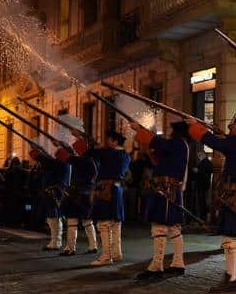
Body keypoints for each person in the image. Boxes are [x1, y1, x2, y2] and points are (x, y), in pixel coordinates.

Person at [188, 114, 236, 292]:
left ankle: (231, 278)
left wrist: (196, 127)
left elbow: (219, 144)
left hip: (235, 195)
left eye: (232, 128)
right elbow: (229, 145)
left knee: (230, 236)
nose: (230, 131)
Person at [132, 120, 190, 279]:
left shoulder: (178, 143)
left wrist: (141, 130)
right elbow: (158, 156)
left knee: (160, 227)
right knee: (173, 229)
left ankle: (157, 265)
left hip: (166, 189)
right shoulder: (178, 145)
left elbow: (159, 143)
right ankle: (178, 263)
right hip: (166, 188)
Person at [84, 130, 131, 266]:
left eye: (109, 140)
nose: (107, 142)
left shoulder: (109, 153)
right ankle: (116, 253)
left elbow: (88, 153)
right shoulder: (125, 155)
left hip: (106, 189)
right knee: (115, 223)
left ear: (115, 142)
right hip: (117, 189)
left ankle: (106, 256)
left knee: (103, 224)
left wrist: (94, 146)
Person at [54, 115, 98, 256]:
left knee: (72, 221)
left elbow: (66, 156)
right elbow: (71, 153)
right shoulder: (90, 159)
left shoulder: (83, 160)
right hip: (85, 193)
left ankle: (70, 248)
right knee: (87, 222)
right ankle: (93, 246)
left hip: (77, 193)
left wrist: (60, 147)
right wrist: (62, 144)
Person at [29, 147, 71, 251]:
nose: (55, 155)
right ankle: (55, 241)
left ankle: (56, 242)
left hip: (54, 192)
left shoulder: (60, 164)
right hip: (52, 192)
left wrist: (38, 153)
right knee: (52, 217)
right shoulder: (59, 164)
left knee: (53, 216)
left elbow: (45, 160)